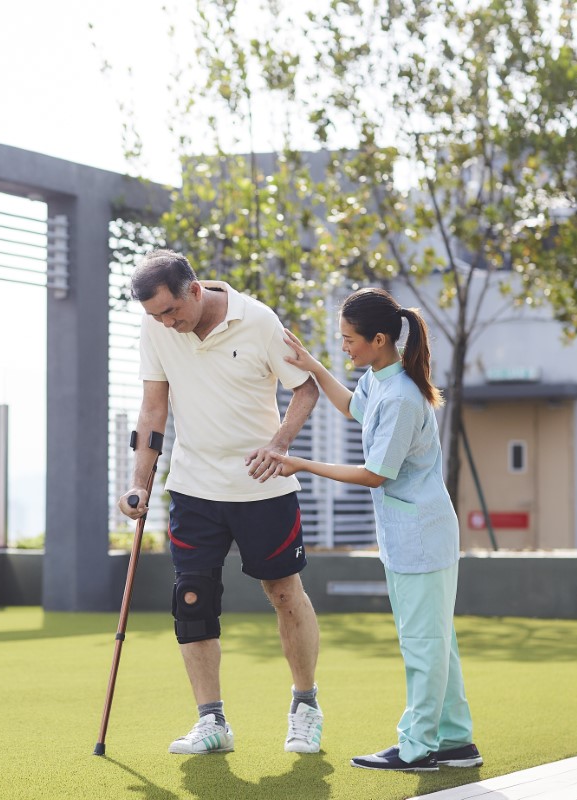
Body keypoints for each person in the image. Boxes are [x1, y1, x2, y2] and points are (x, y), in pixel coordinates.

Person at [264, 287, 481, 772]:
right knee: (434, 638)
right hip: (409, 534)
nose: (345, 347)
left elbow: (375, 473)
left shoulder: (402, 395)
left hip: (422, 536)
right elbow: (351, 408)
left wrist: (299, 462)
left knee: (423, 644)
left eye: (348, 339)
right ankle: (457, 742)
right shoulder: (381, 379)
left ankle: (418, 746)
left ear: (379, 339)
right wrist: (315, 366)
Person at [119, 249, 325, 756]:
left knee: (283, 593)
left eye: (171, 311)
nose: (167, 323)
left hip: (263, 488)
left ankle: (305, 707)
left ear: (194, 289)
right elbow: (153, 406)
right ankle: (211, 723)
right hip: (193, 489)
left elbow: (307, 389)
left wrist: (279, 445)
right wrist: (140, 484)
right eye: (155, 317)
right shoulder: (158, 329)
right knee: (191, 601)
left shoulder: (257, 321)